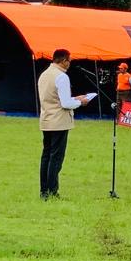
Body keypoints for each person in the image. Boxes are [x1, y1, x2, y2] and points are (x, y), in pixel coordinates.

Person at [37, 49, 95, 199]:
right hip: (59, 122)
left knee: (46, 156)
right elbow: (65, 103)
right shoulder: (62, 76)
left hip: (46, 119)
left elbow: (54, 98)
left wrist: (75, 97)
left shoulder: (44, 74)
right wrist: (80, 101)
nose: (70, 64)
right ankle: (52, 191)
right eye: (69, 61)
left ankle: (44, 191)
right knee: (56, 158)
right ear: (63, 61)